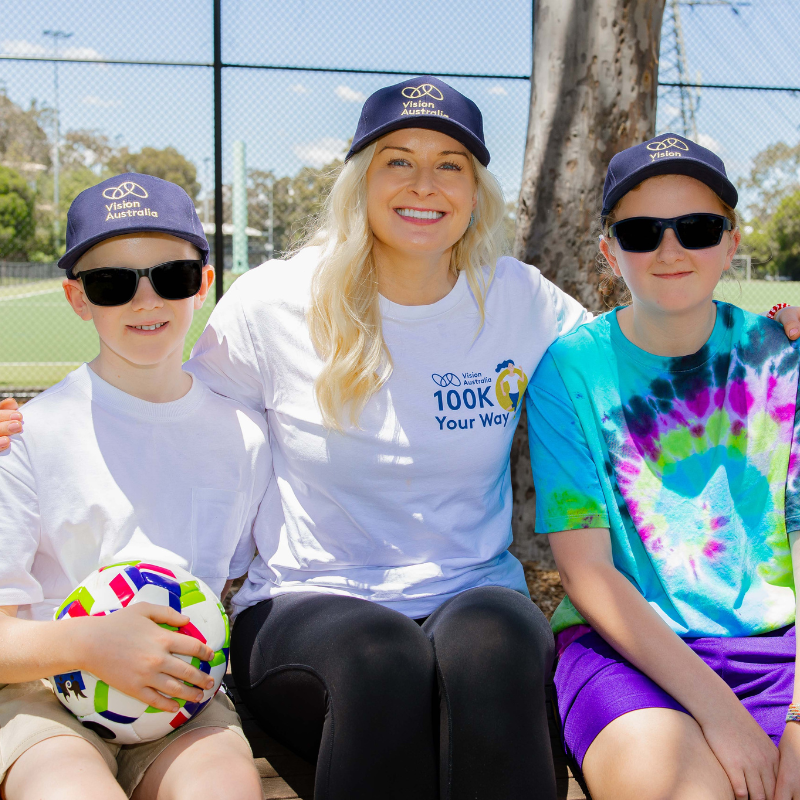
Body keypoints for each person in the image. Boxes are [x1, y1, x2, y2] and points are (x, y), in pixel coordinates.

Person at [185, 76, 587, 800]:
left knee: (496, 643)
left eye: (449, 164)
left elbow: (633, 377)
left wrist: (761, 351)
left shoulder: (519, 300)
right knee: (383, 658)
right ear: (360, 181)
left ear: (476, 189)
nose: (424, 183)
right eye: (397, 159)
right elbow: (180, 437)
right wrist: (41, 437)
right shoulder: (272, 302)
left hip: (470, 591)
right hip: (307, 607)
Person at [527, 133, 800, 800]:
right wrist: (721, 715)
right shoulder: (569, 372)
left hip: (783, 653)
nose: (671, 250)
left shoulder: (782, 356)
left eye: (698, 228)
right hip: (630, 654)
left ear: (731, 243)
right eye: (643, 231)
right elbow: (587, 569)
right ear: (609, 250)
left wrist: (797, 714)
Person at [0, 174, 272, 800]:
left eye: (170, 277)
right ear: (77, 299)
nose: (146, 301)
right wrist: (89, 643)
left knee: (226, 789)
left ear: (204, 285)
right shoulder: (27, 436)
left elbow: (233, 579)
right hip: (44, 697)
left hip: (181, 699)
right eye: (112, 284)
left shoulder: (244, 439)